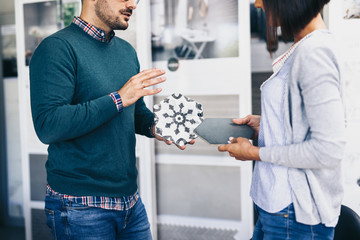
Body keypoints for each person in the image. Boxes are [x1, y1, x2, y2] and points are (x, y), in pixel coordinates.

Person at [29, 0, 188, 239]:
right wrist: (119, 98)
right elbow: (48, 125)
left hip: (130, 201)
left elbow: (135, 112)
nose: (132, 4)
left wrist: (157, 126)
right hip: (80, 206)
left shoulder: (126, 51)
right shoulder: (56, 48)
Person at [218, 0, 346, 239]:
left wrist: (254, 153)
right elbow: (302, 120)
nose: (257, 3)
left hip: (293, 212)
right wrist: (268, 124)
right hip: (277, 207)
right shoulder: (305, 46)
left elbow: (328, 150)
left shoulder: (315, 52)